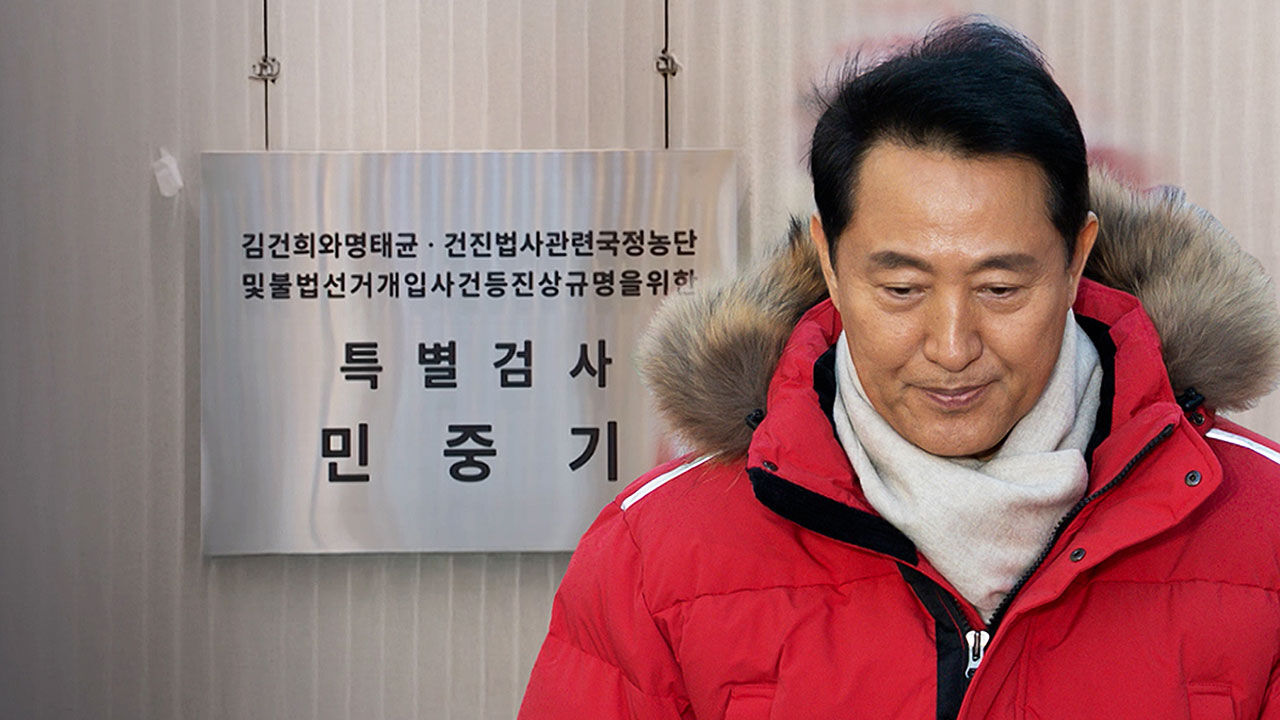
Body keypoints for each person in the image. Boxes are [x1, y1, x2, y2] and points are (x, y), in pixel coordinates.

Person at [519, 18, 1280, 720]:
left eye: (1000, 289)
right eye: (902, 289)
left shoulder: (1262, 528)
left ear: (1076, 259)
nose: (951, 346)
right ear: (829, 261)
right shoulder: (656, 555)